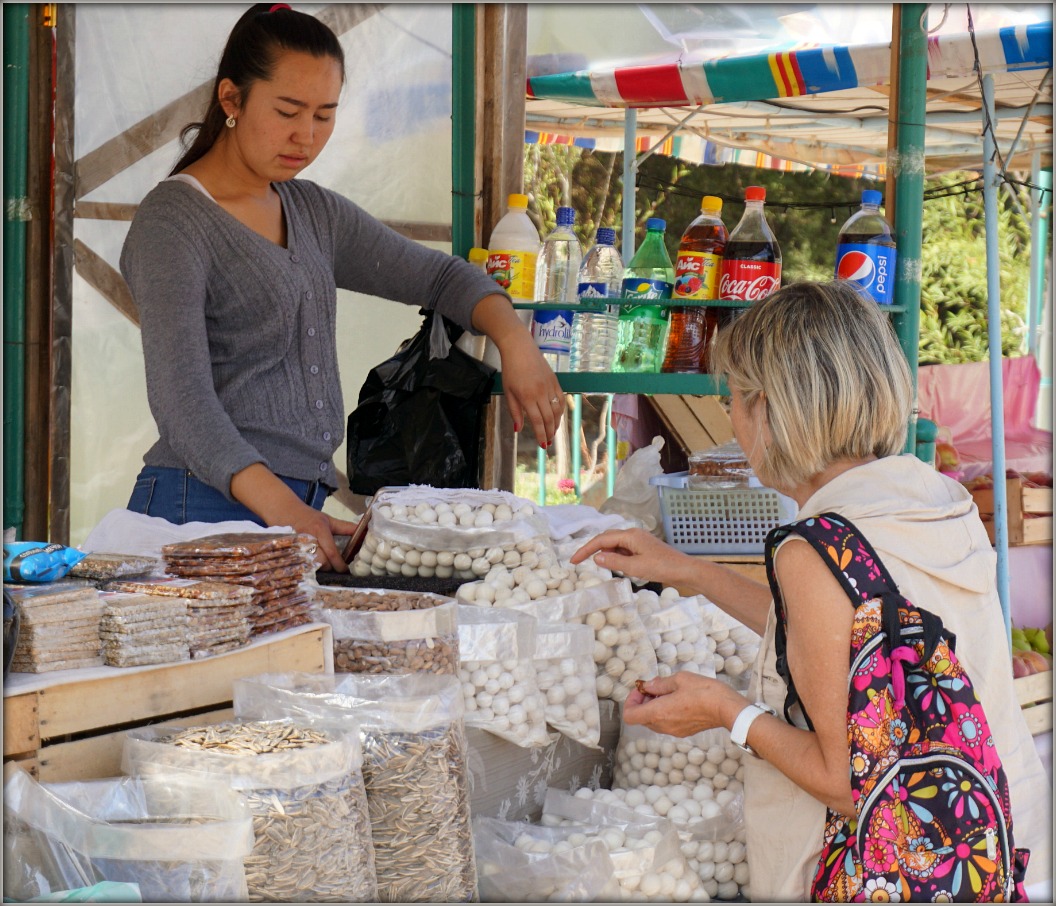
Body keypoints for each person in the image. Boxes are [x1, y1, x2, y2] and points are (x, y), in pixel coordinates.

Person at [572, 280, 1051, 900]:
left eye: (736, 399)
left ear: (768, 408)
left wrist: (726, 711)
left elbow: (848, 781)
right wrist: (686, 570)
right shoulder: (935, 498)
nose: (733, 420)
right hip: (996, 846)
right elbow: (848, 640)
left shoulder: (816, 545)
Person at [120, 4, 564, 572]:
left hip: (293, 508)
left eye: (325, 115)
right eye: (287, 111)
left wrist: (515, 343)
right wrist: (286, 510)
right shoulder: (173, 221)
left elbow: (442, 276)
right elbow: (182, 403)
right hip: (197, 505)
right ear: (231, 99)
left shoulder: (310, 210)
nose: (306, 136)